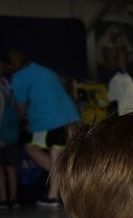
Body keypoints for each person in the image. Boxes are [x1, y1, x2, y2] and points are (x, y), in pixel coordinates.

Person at [9, 50, 80, 206]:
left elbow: (21, 107)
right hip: (70, 118)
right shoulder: (43, 70)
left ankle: (64, 185)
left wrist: (22, 118)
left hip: (47, 122)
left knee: (31, 148)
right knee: (58, 156)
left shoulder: (19, 77)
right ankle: (53, 196)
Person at [0, 59, 20, 209]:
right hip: (11, 133)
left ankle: (3, 199)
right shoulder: (9, 89)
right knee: (11, 167)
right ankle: (14, 197)